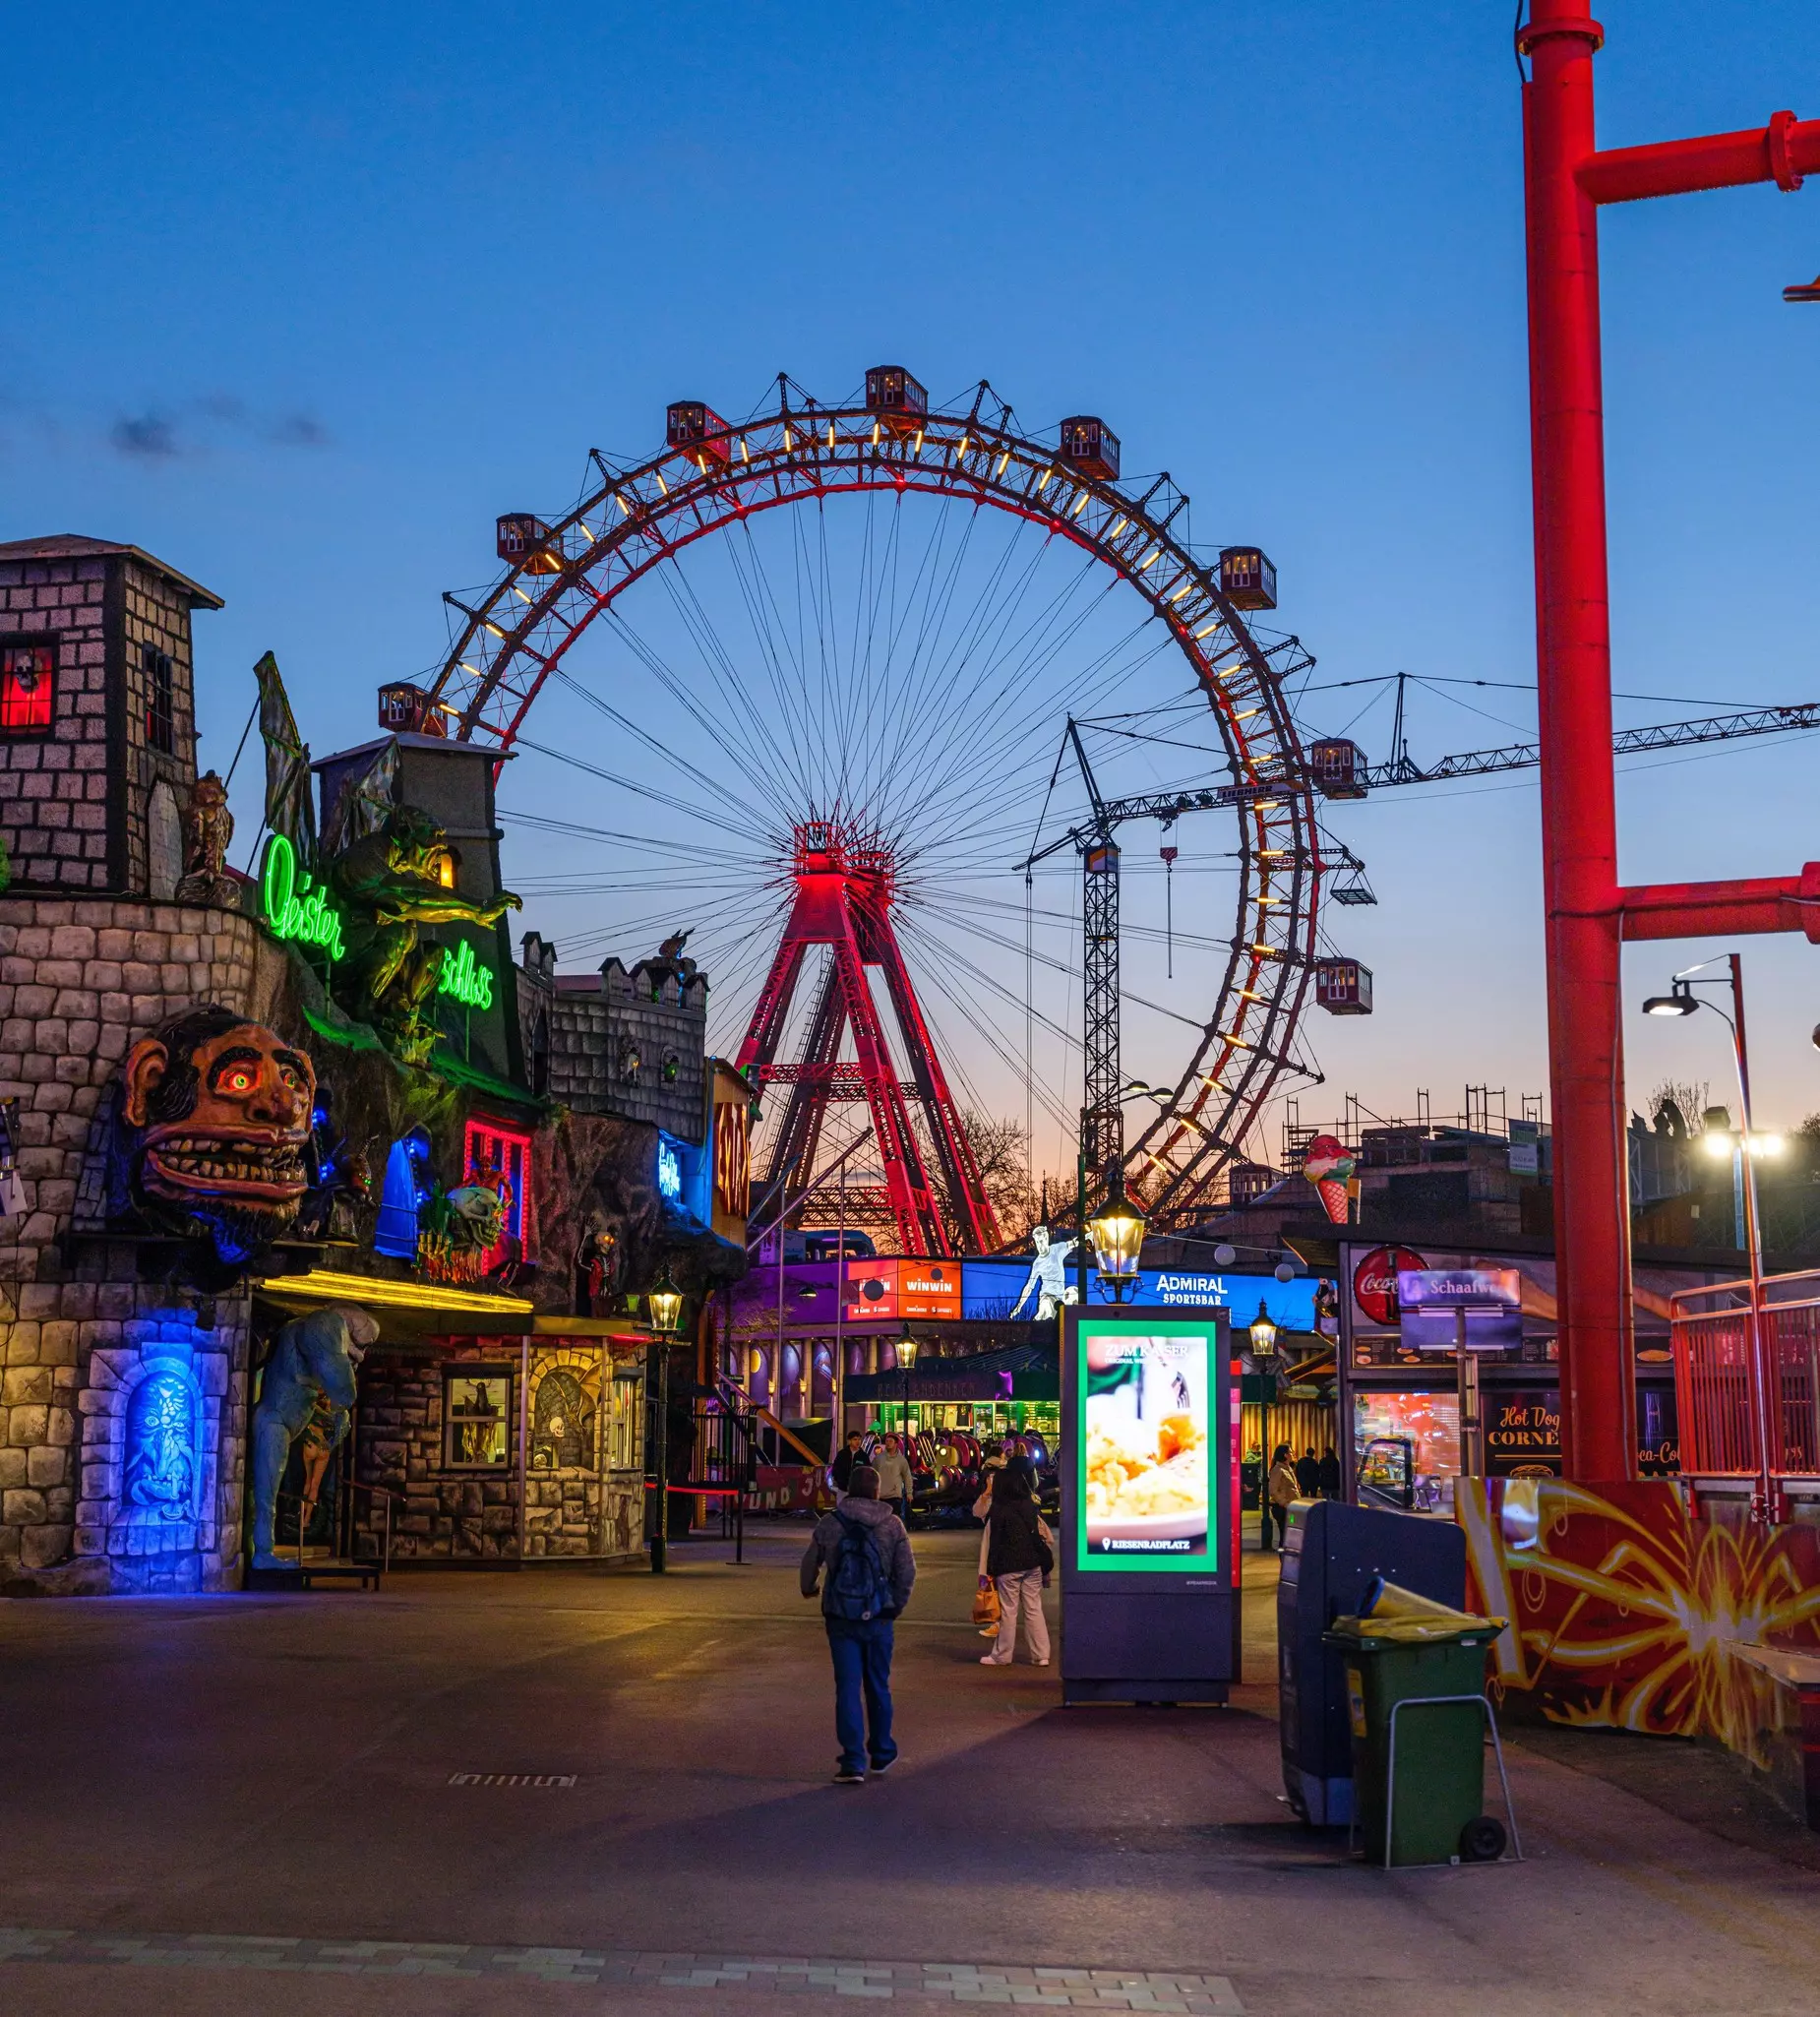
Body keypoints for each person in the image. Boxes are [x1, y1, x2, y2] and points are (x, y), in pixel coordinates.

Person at [801, 1463, 916, 1783]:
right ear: (878, 1491)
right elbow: (906, 1571)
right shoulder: (892, 1525)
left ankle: (852, 1761)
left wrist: (809, 1588)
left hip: (840, 1615)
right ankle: (881, 1753)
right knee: (878, 1685)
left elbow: (811, 1560)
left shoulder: (830, 1522)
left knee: (848, 1687)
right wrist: (894, 1605)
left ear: (849, 1489)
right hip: (879, 1616)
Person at [977, 1461, 1052, 1667]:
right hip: (1033, 1563)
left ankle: (1002, 1655)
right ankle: (1041, 1655)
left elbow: (996, 1542)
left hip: (1009, 1566)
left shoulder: (1000, 1510)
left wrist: (990, 1570)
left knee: (1009, 1611)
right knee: (1034, 1608)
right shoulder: (1029, 1504)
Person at [872, 1432, 915, 1522]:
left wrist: (909, 1493)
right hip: (881, 1496)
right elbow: (872, 1474)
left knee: (894, 1520)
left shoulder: (901, 1460)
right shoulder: (879, 1458)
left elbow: (907, 1477)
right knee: (881, 1520)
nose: (888, 1443)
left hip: (895, 1496)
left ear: (896, 1444)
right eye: (886, 1441)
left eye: (890, 1441)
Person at [1266, 1443, 1299, 1550]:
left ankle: (1288, 1560)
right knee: (1285, 1536)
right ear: (1285, 1455)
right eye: (1290, 1452)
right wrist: (1285, 1503)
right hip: (1283, 1508)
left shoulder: (1287, 1468)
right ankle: (1285, 1560)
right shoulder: (1278, 1470)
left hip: (1290, 1507)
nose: (1292, 1454)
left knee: (1289, 1535)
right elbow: (1273, 1490)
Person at [829, 1430, 865, 1503]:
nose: (858, 1442)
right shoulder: (842, 1454)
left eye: (859, 1439)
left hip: (857, 1491)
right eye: (855, 1439)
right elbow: (835, 1468)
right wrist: (839, 1480)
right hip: (843, 1489)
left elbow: (867, 1471)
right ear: (849, 1441)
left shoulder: (863, 1456)